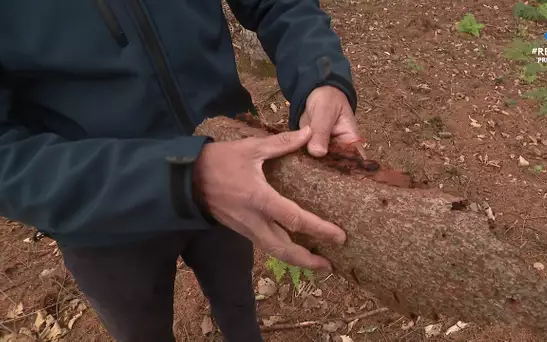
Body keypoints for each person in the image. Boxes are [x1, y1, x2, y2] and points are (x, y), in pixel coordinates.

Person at [0, 1, 359, 341]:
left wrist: (320, 73)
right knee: (142, 330)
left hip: (232, 166)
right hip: (103, 218)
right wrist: (187, 177)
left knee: (236, 300)